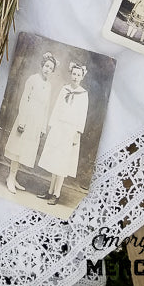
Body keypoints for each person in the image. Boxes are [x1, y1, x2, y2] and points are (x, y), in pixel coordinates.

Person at [3, 52, 58, 194]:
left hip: (37, 121)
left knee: (25, 150)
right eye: (46, 66)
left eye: (50, 68)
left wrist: (43, 127)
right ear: (42, 65)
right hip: (27, 117)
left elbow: (46, 107)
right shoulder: (32, 79)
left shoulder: (49, 85)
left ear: (52, 71)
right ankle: (10, 177)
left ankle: (14, 177)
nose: (47, 69)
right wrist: (22, 121)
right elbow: (24, 100)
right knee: (17, 148)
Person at [37, 62, 89, 205]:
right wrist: (52, 125)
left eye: (79, 75)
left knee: (62, 163)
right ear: (70, 74)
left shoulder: (83, 94)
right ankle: (50, 191)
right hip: (59, 128)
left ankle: (57, 194)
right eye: (74, 74)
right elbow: (57, 107)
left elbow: (82, 115)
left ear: (82, 77)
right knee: (54, 160)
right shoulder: (64, 89)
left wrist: (77, 133)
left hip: (70, 131)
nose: (75, 77)